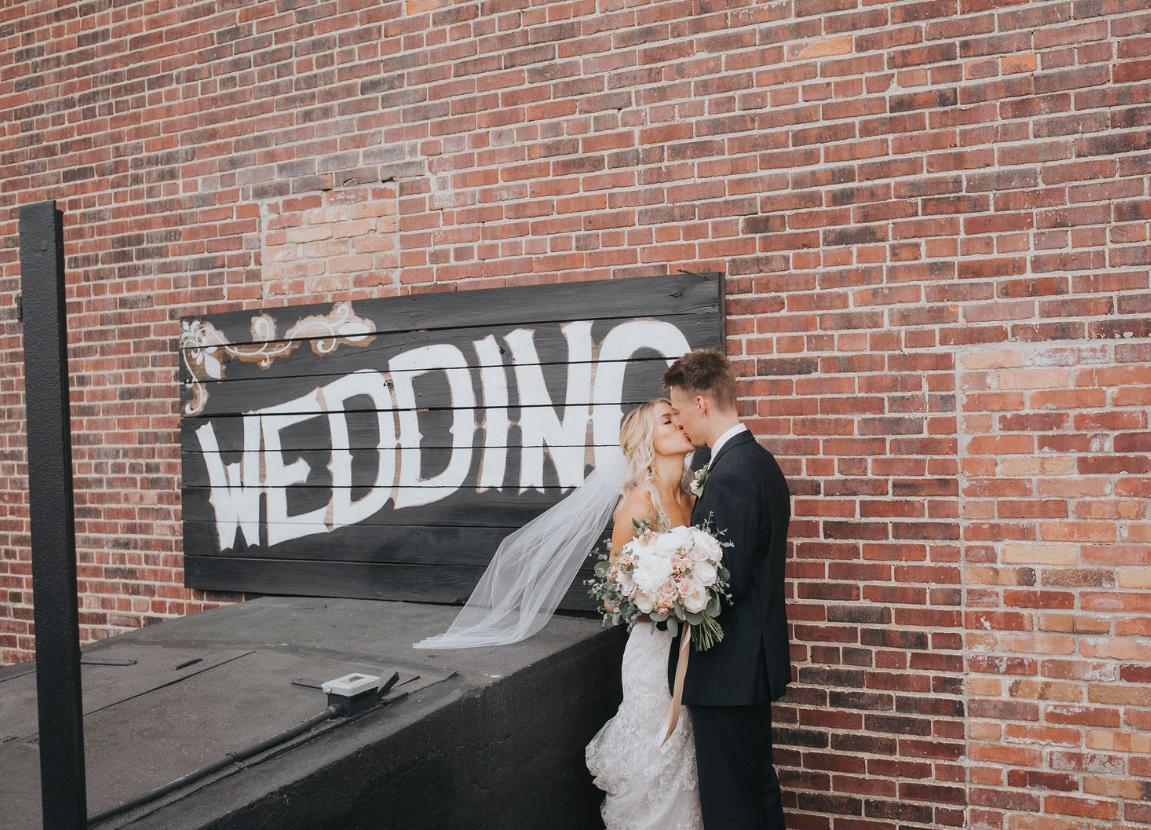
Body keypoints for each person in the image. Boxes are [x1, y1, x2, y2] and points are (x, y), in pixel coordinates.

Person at [663, 349, 792, 829]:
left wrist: (665, 590)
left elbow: (720, 583)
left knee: (731, 803)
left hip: (728, 671)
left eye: (677, 412)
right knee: (755, 788)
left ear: (700, 403)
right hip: (747, 668)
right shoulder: (757, 462)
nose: (680, 424)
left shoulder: (732, 475)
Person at [584, 398, 704, 829]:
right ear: (646, 441)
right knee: (656, 759)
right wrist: (664, 598)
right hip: (654, 658)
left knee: (686, 766)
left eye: (679, 417)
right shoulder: (639, 504)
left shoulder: (695, 498)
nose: (680, 424)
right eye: (667, 421)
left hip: (698, 654)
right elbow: (614, 598)